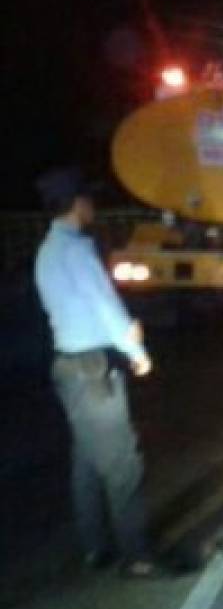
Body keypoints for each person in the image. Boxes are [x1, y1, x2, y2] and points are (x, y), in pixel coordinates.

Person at [33, 168, 164, 578]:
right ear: (76, 204)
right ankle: (138, 557)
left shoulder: (47, 250)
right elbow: (104, 304)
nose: (93, 205)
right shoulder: (77, 250)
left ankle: (96, 548)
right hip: (93, 368)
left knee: (88, 460)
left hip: (68, 366)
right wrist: (135, 350)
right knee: (124, 464)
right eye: (88, 199)